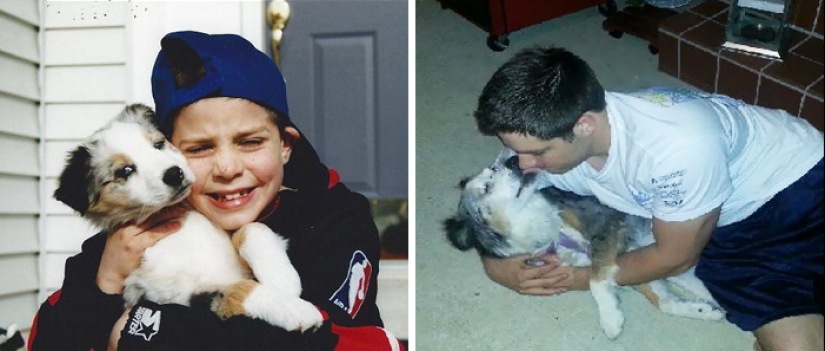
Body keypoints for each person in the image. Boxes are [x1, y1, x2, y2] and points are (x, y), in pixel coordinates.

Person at [29, 31, 403, 351]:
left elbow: (334, 340)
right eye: (199, 148)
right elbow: (47, 341)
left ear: (286, 144)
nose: (227, 169)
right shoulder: (131, 238)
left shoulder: (335, 218)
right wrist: (106, 284)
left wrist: (137, 332)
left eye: (250, 142)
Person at [474, 47, 823, 351]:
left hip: (799, 188)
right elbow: (490, 198)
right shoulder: (544, 140)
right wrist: (496, 265)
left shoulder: (675, 153)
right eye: (516, 151)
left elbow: (674, 259)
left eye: (537, 153)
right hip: (721, 224)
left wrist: (580, 278)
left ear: (584, 125)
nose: (524, 166)